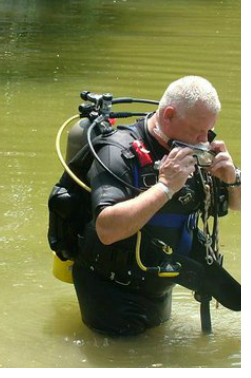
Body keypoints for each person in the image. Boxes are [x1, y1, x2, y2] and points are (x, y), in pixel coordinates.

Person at [74, 76, 241, 336]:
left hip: (160, 279)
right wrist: (165, 187)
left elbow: (237, 207)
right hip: (111, 288)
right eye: (198, 130)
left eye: (208, 131)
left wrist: (232, 181)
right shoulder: (116, 150)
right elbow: (107, 230)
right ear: (169, 115)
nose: (203, 139)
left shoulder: (195, 146)